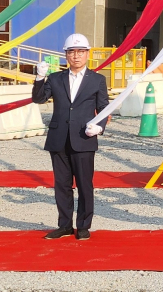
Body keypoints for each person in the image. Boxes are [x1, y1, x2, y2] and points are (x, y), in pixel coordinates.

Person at [32, 33, 109, 240]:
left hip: (84, 138)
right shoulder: (56, 78)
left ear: (87, 54)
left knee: (85, 184)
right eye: (72, 52)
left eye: (80, 52)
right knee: (62, 185)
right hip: (59, 138)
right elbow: (39, 98)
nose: (76, 56)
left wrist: (99, 127)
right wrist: (40, 78)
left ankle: (83, 225)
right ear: (66, 54)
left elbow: (104, 108)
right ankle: (64, 225)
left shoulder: (97, 80)